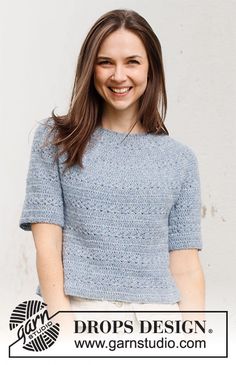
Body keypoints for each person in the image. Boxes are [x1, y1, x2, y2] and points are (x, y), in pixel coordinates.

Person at [19, 9, 205, 335]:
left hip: (159, 326)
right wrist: (63, 326)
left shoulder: (180, 160)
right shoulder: (55, 140)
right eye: (106, 62)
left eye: (132, 62)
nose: (119, 75)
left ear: (152, 69)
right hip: (81, 317)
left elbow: (186, 267)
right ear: (90, 68)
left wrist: (196, 339)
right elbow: (47, 247)